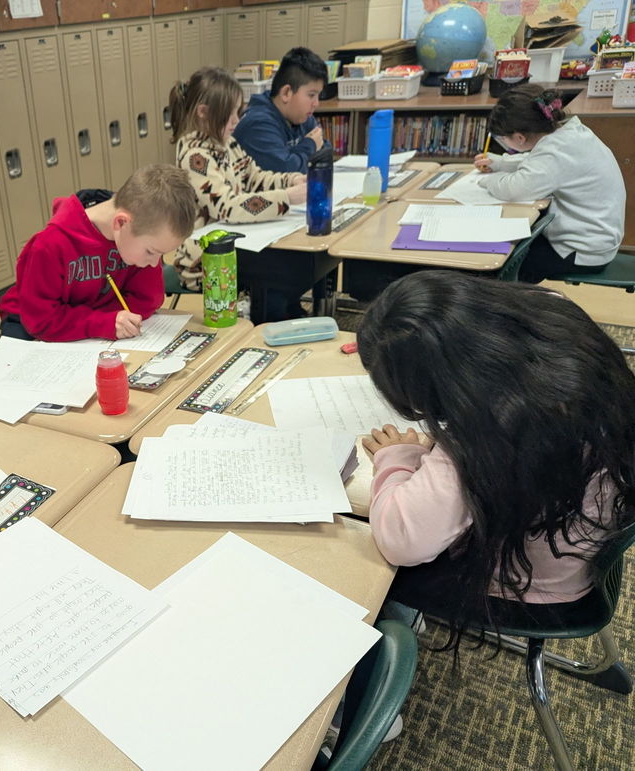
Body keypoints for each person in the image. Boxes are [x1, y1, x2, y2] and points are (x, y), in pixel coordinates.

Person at [357, 271, 635, 650]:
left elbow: (404, 543)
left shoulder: (485, 432)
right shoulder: (555, 317)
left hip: (528, 588)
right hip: (581, 536)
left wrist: (398, 458)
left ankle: (388, 641)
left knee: (358, 554)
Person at [169, 66, 310, 320]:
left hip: (236, 241)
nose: (236, 121)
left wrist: (292, 180)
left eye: (238, 112)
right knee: (280, 270)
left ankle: (284, 313)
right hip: (203, 258)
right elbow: (227, 207)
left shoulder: (226, 142)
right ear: (204, 113)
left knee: (294, 263)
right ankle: (269, 322)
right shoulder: (195, 157)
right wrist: (287, 197)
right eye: (230, 114)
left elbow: (254, 178)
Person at [0, 164, 197, 342]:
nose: (155, 264)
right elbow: (41, 320)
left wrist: (106, 321)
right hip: (27, 327)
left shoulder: (138, 234)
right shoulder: (49, 245)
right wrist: (103, 322)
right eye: (151, 252)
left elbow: (148, 300)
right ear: (120, 223)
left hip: (83, 328)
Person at [474, 84, 625, 284]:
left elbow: (516, 188)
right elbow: (540, 164)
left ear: (519, 138)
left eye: (504, 138)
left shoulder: (553, 152)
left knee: (504, 264)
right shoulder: (570, 133)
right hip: (597, 238)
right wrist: (500, 162)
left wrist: (486, 181)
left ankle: (516, 306)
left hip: (582, 251)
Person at [232, 47, 328, 173]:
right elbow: (286, 171)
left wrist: (295, 156)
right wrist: (310, 145)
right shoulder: (257, 124)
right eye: (311, 95)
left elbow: (325, 152)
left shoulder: (302, 117)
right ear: (286, 93)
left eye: (318, 95)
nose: (316, 103)